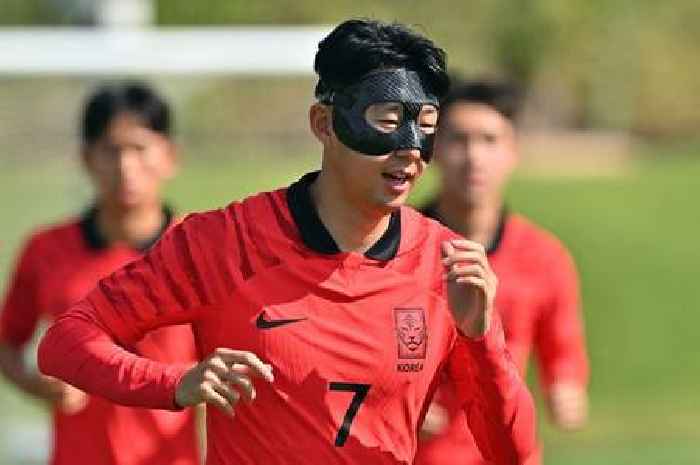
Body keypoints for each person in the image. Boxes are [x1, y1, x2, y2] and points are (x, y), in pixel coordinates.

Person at [37, 20, 536, 465]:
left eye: (425, 125)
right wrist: (175, 383)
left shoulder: (444, 266)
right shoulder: (223, 243)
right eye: (386, 120)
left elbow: (511, 453)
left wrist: (482, 337)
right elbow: (65, 343)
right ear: (324, 124)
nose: (408, 147)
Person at [0, 82, 201, 465]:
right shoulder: (46, 250)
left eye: (140, 149)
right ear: (86, 158)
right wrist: (35, 385)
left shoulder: (198, 251)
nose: (126, 166)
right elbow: (7, 342)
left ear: (170, 156)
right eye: (112, 150)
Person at [414, 79, 589, 465]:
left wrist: (566, 386)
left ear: (513, 152)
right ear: (433, 150)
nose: (474, 156)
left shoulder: (545, 257)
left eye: (490, 140)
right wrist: (391, 399)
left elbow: (564, 349)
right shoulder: (394, 250)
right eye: (459, 140)